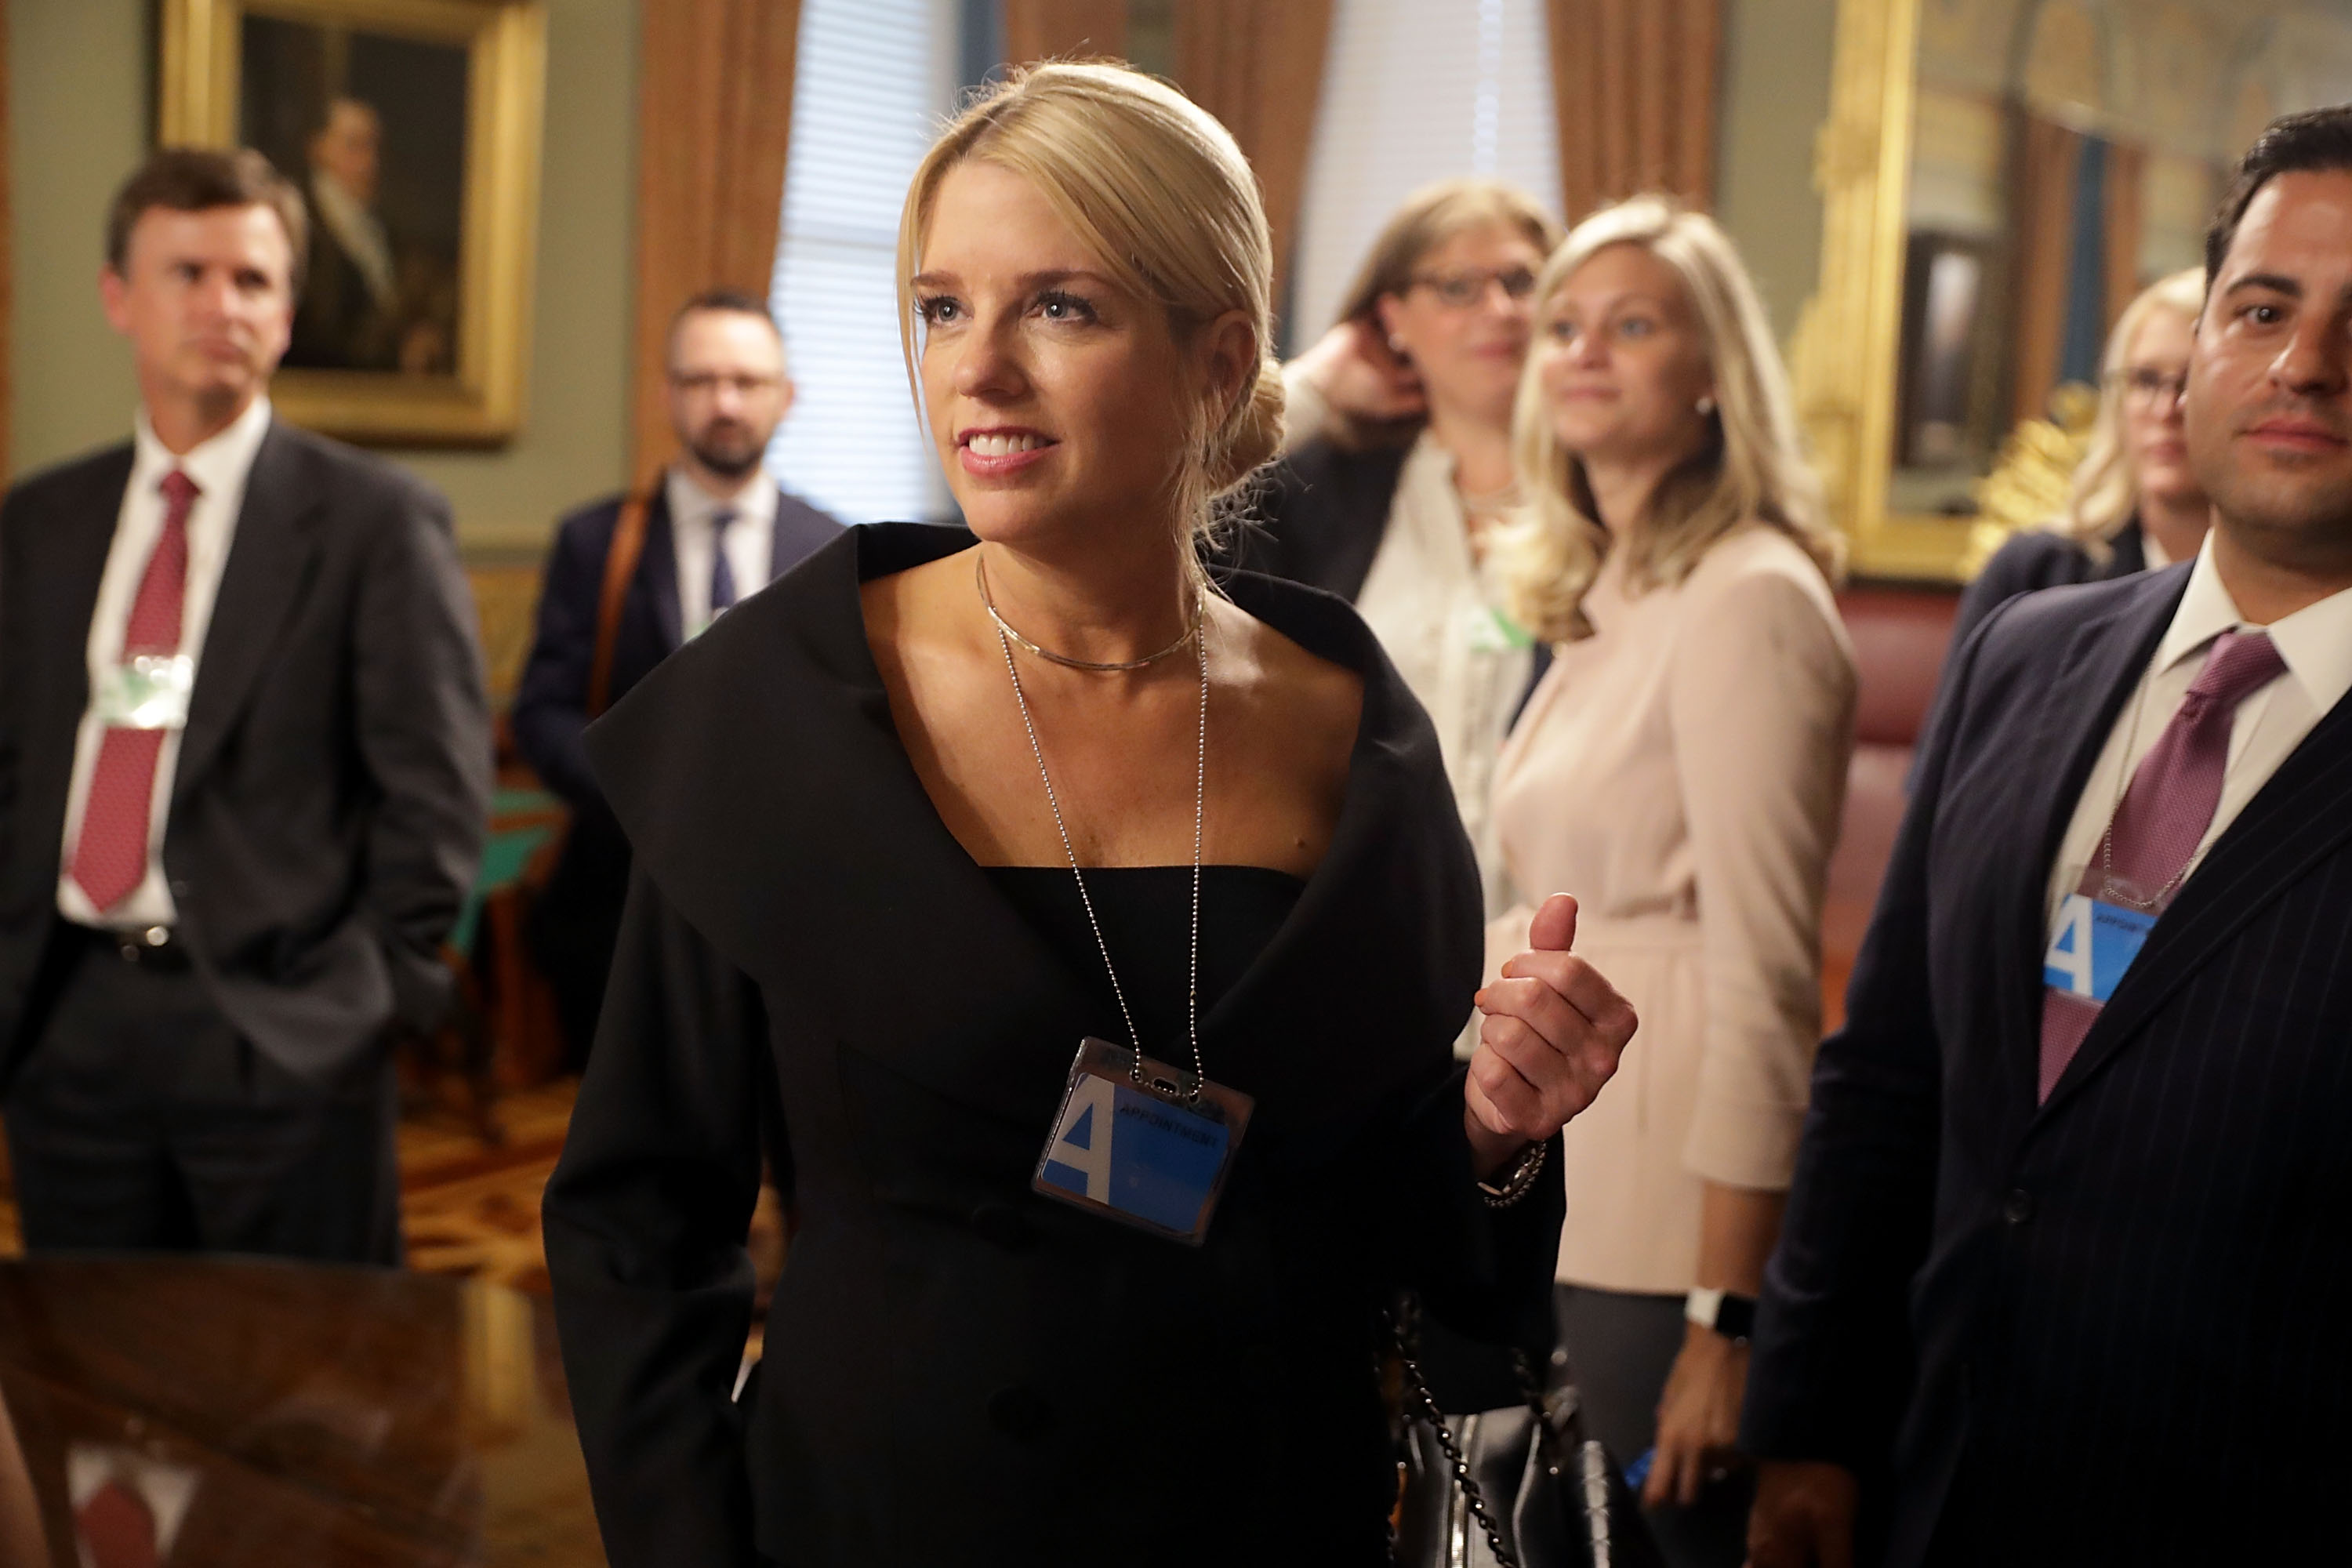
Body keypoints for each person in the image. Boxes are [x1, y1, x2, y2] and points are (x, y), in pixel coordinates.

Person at [543, 63, 1638, 1566]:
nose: (977, 370)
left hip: (1265, 1511)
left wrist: (1502, 1133)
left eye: (1059, 306)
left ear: (1217, 357)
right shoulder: (779, 706)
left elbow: (1400, 1228)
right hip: (883, 1519)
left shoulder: (1350, 722)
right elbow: (638, 1229)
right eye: (941, 307)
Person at [1744, 106, 2352, 1566]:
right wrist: (1808, 1424)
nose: (2307, 364)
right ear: (2194, 344)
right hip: (1926, 1486)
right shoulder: (2025, 651)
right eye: (2262, 308)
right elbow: (1889, 1070)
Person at [0, 148, 490, 1262]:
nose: (222, 305)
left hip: (280, 1035)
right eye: (188, 273)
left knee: (295, 1401)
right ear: (119, 296)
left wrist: (362, 1004)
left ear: (286, 312)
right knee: (91, 1390)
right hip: (64, 1027)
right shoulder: (41, 522)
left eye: (254, 280)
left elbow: (436, 797)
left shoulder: (377, 522)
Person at [1479, 197, 1856, 1565]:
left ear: (1711, 376)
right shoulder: (1603, 593)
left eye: (1632, 326)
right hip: (1561, 1166)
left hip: (1671, 1218)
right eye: (1565, 326)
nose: (1583, 351)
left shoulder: (1749, 596)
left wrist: (1730, 1315)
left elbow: (1769, 977)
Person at [512, 289, 839, 1066]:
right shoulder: (597, 541)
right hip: (624, 899)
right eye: (700, 381)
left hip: (790, 910)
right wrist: (636, 789)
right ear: (668, 395)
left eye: (747, 381)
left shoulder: (832, 545)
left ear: (785, 396)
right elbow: (542, 710)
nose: (724, 403)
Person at [1236, 181, 1564, 912]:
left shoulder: (1613, 500)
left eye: (1520, 281)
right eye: (1457, 287)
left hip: (1558, 940)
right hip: (1362, 930)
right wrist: (1310, 391)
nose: (1500, 311)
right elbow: (1167, 517)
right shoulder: (1320, 494)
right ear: (1393, 318)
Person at [1944, 267, 2211, 659]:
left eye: (2194, 382)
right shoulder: (2033, 574)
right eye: (2145, 380)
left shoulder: (2290, 589)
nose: (2166, 409)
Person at [288, 97, 451, 373]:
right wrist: (396, 350)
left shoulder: (383, 231)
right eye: (354, 146)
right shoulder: (298, 226)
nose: (369, 162)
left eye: (374, 147)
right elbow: (315, 330)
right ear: (318, 149)